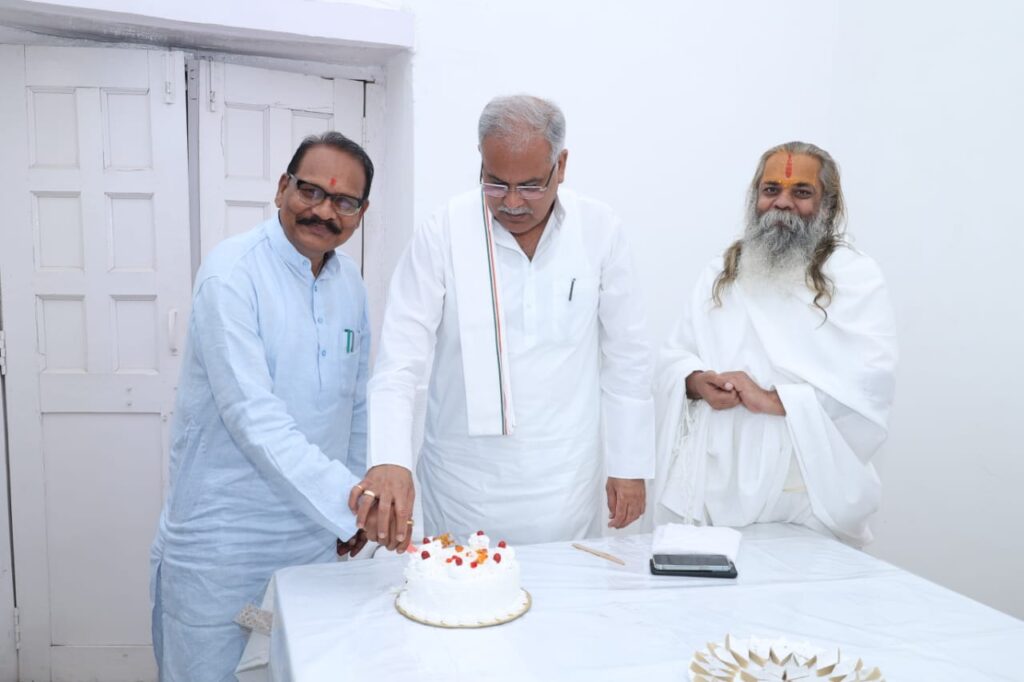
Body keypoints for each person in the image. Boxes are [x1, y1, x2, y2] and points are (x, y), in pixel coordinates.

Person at [354, 95, 654, 546]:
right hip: (463, 485)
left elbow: (627, 354)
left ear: (561, 166)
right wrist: (390, 460)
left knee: (567, 587)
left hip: (566, 482)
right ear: (481, 161)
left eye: (530, 186)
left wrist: (629, 464)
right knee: (459, 587)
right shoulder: (444, 231)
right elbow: (400, 360)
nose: (512, 202)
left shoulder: (599, 229)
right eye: (495, 184)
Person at [150, 132, 383, 681]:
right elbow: (253, 418)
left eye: (343, 201)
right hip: (224, 546)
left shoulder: (350, 283)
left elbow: (356, 404)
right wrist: (352, 502)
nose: (323, 211)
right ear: (282, 188)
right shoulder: (233, 275)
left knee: (292, 670)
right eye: (310, 191)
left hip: (313, 542)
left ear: (361, 213)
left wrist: (350, 504)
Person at [652, 141, 897, 546]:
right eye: (771, 190)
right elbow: (674, 356)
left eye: (801, 192)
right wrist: (695, 381)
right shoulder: (722, 272)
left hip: (802, 491)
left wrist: (771, 399)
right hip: (711, 484)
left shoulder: (853, 277)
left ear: (828, 205)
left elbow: (870, 384)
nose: (782, 202)